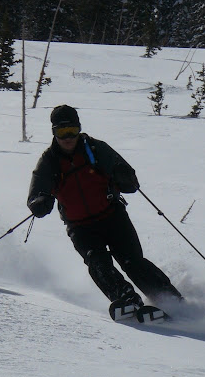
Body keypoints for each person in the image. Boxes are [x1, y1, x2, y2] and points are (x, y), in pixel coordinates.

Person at [27, 105, 182, 321]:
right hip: (80, 227)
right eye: (62, 132)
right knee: (98, 263)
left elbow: (130, 180)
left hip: (112, 216)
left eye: (72, 130)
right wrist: (39, 202)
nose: (68, 137)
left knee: (132, 262)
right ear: (54, 133)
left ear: (79, 129)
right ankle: (126, 299)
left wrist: (125, 177)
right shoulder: (49, 162)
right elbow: (36, 192)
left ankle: (170, 300)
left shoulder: (96, 149)